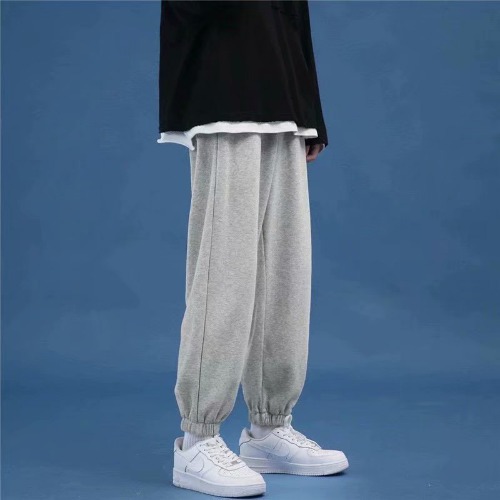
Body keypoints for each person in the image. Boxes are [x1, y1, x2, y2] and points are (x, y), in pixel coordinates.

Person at [157, 1, 349, 497]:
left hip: (283, 106)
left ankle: (268, 427)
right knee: (225, 270)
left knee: (285, 273)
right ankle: (197, 439)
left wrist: (310, 113)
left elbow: (293, 17)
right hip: (224, 98)